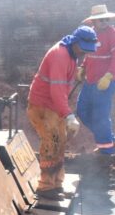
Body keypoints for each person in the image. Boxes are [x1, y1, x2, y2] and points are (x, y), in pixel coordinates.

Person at [26, 25, 98, 197]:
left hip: (54, 106)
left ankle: (56, 182)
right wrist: (69, 115)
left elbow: (63, 83)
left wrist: (76, 74)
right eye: (83, 49)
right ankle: (45, 187)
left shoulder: (72, 53)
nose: (84, 53)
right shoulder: (60, 56)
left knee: (61, 142)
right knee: (51, 143)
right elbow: (56, 91)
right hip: (42, 106)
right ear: (75, 42)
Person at [76, 4, 115, 155]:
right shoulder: (92, 34)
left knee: (100, 115)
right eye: (100, 20)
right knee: (82, 111)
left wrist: (109, 76)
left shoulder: (114, 34)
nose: (104, 21)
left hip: (104, 83)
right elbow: (88, 55)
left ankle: (107, 149)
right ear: (93, 22)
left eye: (106, 19)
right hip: (90, 82)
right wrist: (83, 67)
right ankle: (108, 137)